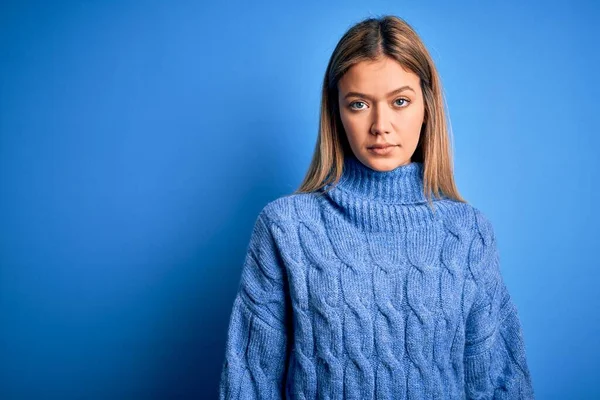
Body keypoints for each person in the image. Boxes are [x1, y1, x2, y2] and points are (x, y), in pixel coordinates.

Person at [218, 14, 535, 400]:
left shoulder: (468, 233)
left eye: (400, 101)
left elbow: (500, 384)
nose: (380, 125)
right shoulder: (285, 227)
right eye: (359, 104)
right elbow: (249, 383)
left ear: (427, 107)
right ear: (337, 113)